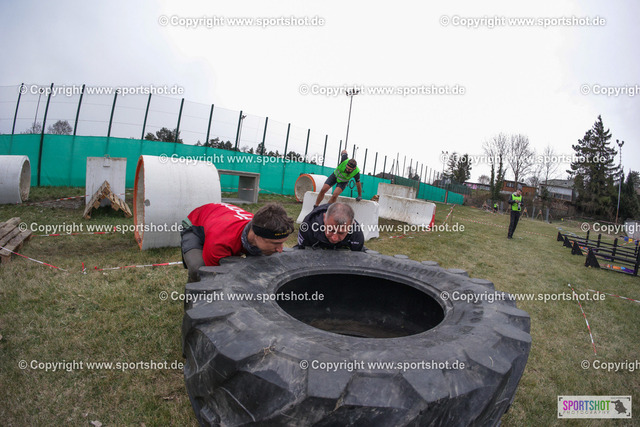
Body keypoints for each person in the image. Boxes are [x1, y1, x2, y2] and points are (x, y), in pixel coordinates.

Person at [181, 202, 294, 282]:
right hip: (195, 223)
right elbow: (212, 278)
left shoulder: (263, 225)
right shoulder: (220, 241)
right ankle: (192, 300)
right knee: (199, 270)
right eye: (275, 244)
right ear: (256, 236)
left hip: (219, 218)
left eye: (282, 242)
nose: (280, 249)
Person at [296, 202, 365, 251]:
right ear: (324, 218)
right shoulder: (308, 225)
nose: (334, 238)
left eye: (341, 233)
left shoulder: (356, 235)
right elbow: (301, 252)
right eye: (330, 230)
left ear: (351, 226)